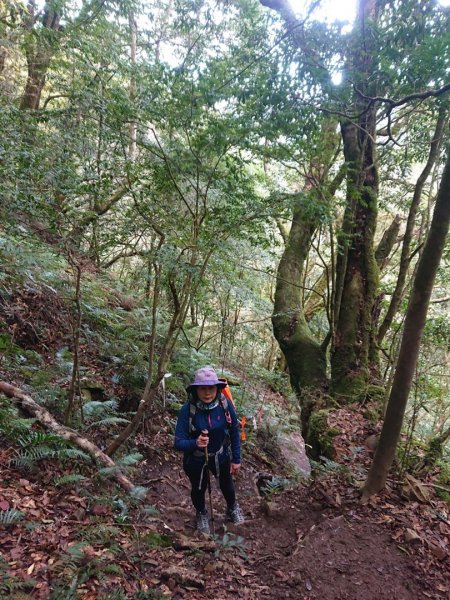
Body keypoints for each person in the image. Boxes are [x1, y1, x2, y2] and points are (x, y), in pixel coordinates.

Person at [174, 366, 244, 534]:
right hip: (196, 459)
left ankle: (233, 507)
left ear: (217, 388)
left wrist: (236, 459)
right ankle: (201, 513)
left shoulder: (224, 404)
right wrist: (195, 443)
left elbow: (234, 430)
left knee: (227, 484)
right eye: (203, 388)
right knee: (199, 488)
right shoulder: (188, 410)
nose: (207, 393)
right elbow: (178, 442)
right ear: (196, 390)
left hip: (220, 456)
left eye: (211, 388)